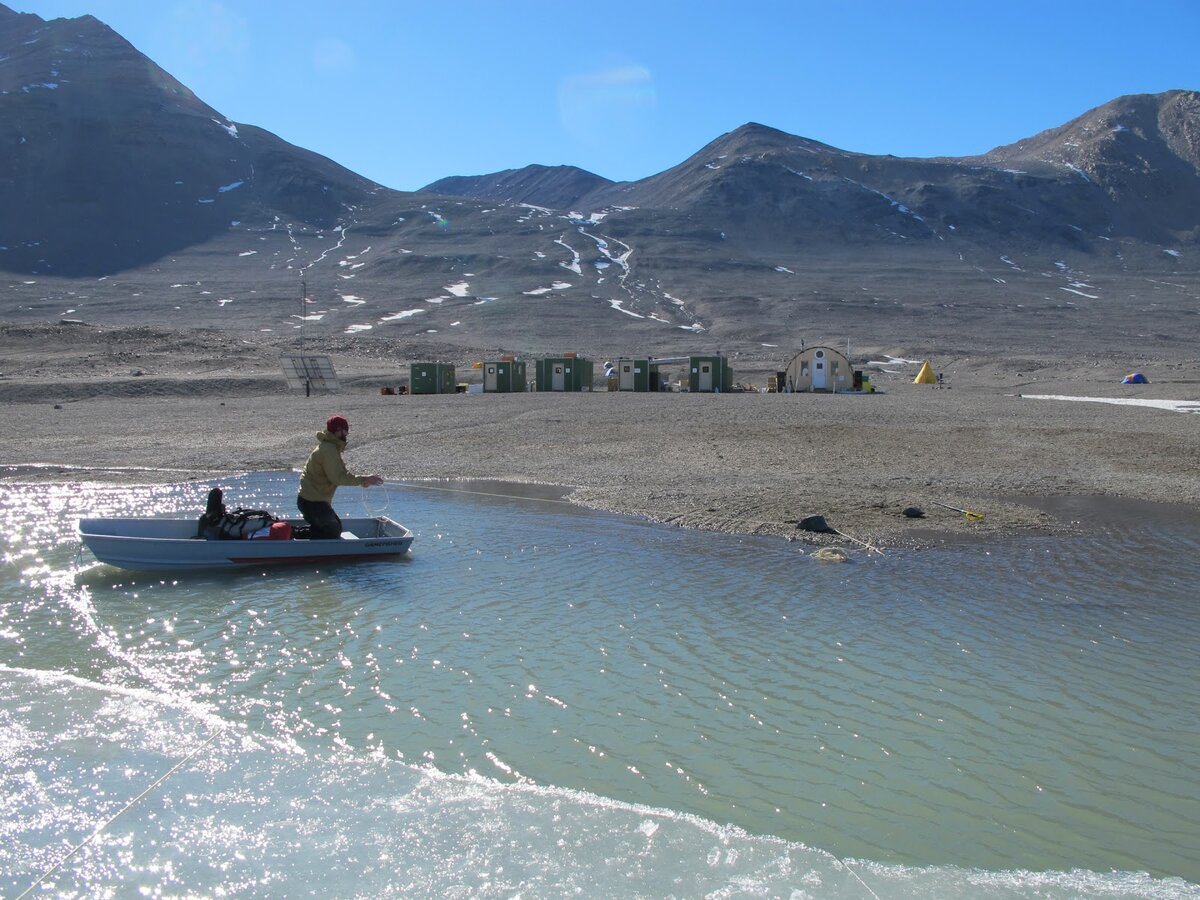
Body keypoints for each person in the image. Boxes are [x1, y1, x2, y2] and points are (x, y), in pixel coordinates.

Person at [297, 415, 384, 539]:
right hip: (312, 503)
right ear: (338, 431)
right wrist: (364, 479)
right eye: (346, 430)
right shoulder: (329, 450)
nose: (347, 434)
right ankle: (294, 538)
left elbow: (342, 474)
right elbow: (338, 478)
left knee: (334, 527)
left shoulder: (331, 447)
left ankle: (296, 535)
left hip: (313, 501)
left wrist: (364, 480)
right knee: (333, 531)